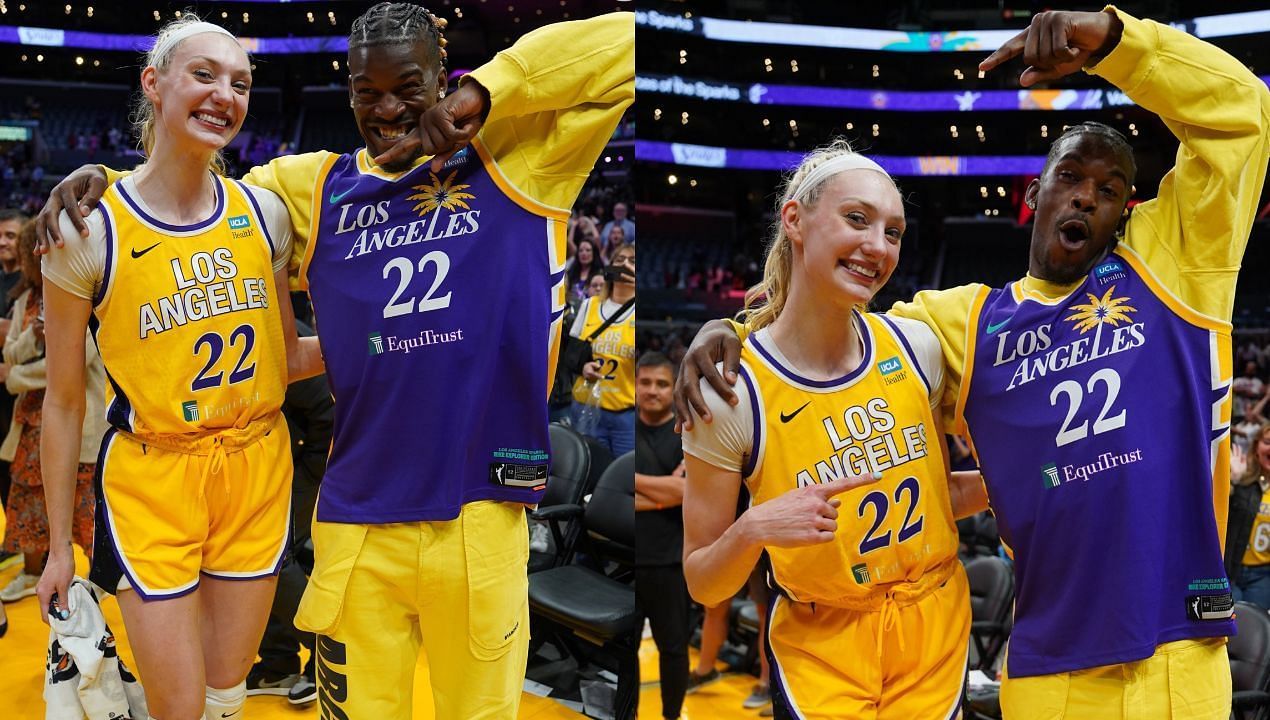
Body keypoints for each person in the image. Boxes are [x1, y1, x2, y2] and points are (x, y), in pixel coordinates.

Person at [38, 6, 633, 718]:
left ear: (443, 81)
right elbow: (183, 195)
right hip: (352, 522)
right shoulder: (307, 189)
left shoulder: (519, 161)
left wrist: (491, 87)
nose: (387, 110)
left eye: (409, 86)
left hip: (482, 513)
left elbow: (627, 41)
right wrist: (101, 177)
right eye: (366, 90)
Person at [677, 9, 1270, 718]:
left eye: (1111, 190)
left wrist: (1118, 43)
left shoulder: (1173, 268)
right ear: (1033, 196)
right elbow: (821, 334)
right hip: (1047, 662)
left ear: (1126, 214)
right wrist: (732, 329)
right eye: (1071, 176)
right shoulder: (961, 322)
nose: (1088, 194)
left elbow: (1243, 115)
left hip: (1177, 649)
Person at [35, 17, 319, 719]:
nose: (225, 94)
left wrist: (401, 346)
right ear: (153, 84)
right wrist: (57, 550)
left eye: (241, 83)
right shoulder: (86, 228)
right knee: (178, 711)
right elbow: (65, 402)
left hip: (256, 468)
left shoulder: (267, 215)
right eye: (204, 74)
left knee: (225, 699)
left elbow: (284, 360)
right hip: (153, 476)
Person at [680, 141, 987, 720]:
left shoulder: (917, 346)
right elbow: (703, 583)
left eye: (893, 232)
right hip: (821, 645)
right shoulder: (730, 391)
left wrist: (1006, 481)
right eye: (857, 219)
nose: (877, 247)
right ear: (794, 219)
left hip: (935, 631)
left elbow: (933, 500)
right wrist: (754, 528)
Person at [0, 220, 105, 605]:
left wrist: (15, 377)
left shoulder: (86, 295)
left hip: (81, 421)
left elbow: (78, 362)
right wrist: (35, 335)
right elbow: (11, 350)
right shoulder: (26, 300)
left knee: (86, 504)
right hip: (30, 422)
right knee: (26, 500)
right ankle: (30, 573)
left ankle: (101, 578)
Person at [634, 351, 690, 720]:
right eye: (646, 382)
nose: (652, 391)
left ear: (674, 389)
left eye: (661, 384)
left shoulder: (689, 435)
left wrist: (633, 487)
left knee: (673, 648)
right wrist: (663, 491)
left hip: (671, 561)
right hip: (626, 558)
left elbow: (686, 494)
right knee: (625, 650)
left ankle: (672, 715)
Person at [571, 244, 636, 455]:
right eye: (619, 260)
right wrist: (583, 366)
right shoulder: (590, 305)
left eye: (633, 261)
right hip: (586, 407)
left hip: (626, 414)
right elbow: (570, 354)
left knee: (622, 478)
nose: (625, 265)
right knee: (588, 474)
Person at [1227, 424, 1270, 609]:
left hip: (1263, 575)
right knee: (1226, 631)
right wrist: (1233, 481)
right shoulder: (1243, 482)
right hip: (1229, 571)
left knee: (1257, 629)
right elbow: (1218, 516)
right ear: (1256, 447)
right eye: (1267, 442)